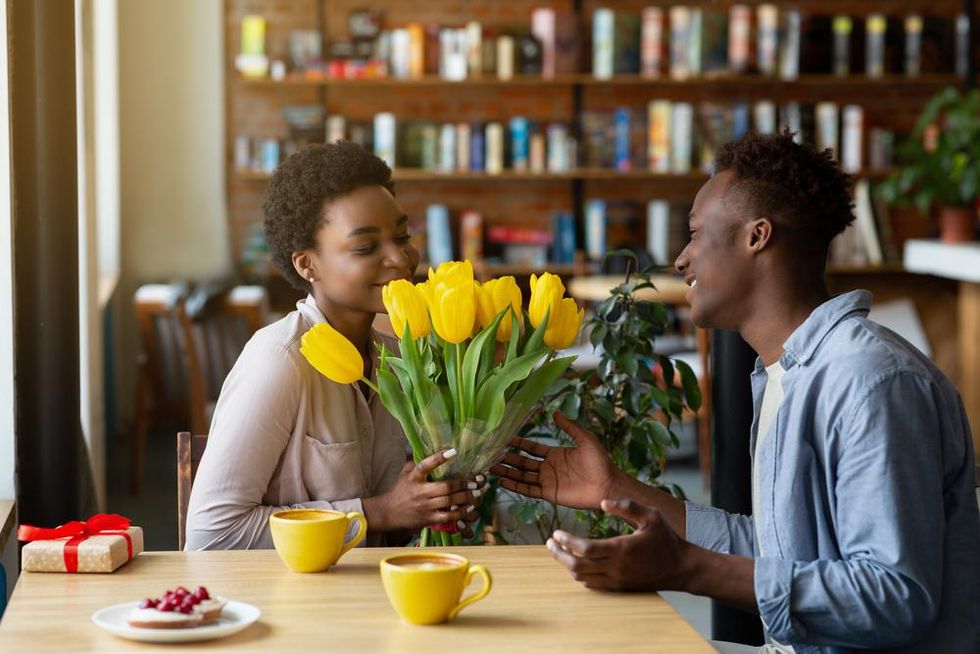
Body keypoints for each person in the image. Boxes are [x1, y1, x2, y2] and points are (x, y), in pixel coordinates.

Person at [493, 132, 980, 653]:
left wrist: (688, 569)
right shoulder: (788, 374)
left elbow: (894, 598)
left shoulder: (870, 382)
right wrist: (615, 488)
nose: (680, 260)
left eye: (696, 233)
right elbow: (781, 552)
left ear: (757, 236)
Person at [185, 141, 482, 550]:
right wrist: (378, 512)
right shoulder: (280, 361)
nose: (400, 258)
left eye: (402, 235)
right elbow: (211, 536)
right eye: (365, 247)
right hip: (292, 605)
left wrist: (430, 508)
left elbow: (398, 516)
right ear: (307, 264)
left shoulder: (400, 358)